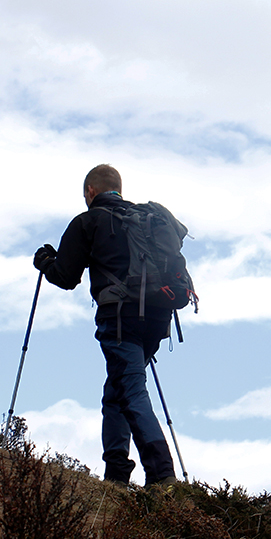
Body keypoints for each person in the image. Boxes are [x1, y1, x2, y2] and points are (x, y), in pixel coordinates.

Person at [33, 164, 179, 489]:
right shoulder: (145, 220)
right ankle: (115, 476)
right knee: (116, 392)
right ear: (119, 189)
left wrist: (44, 262)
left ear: (90, 191)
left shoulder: (89, 221)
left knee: (130, 389)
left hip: (119, 317)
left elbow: (66, 277)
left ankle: (162, 475)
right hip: (158, 318)